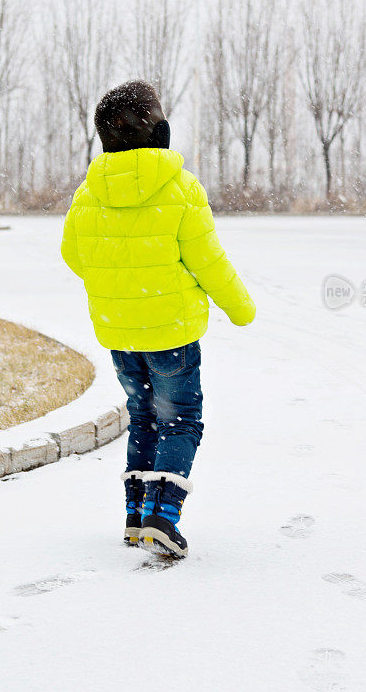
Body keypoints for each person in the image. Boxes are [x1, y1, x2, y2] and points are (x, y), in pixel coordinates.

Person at [60, 80, 256, 558]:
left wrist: (118, 284)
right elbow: (209, 261)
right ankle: (163, 518)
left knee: (144, 418)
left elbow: (73, 254)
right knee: (182, 420)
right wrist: (240, 307)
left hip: (120, 333)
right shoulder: (182, 190)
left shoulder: (90, 193)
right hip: (172, 333)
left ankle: (135, 516)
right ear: (162, 133)